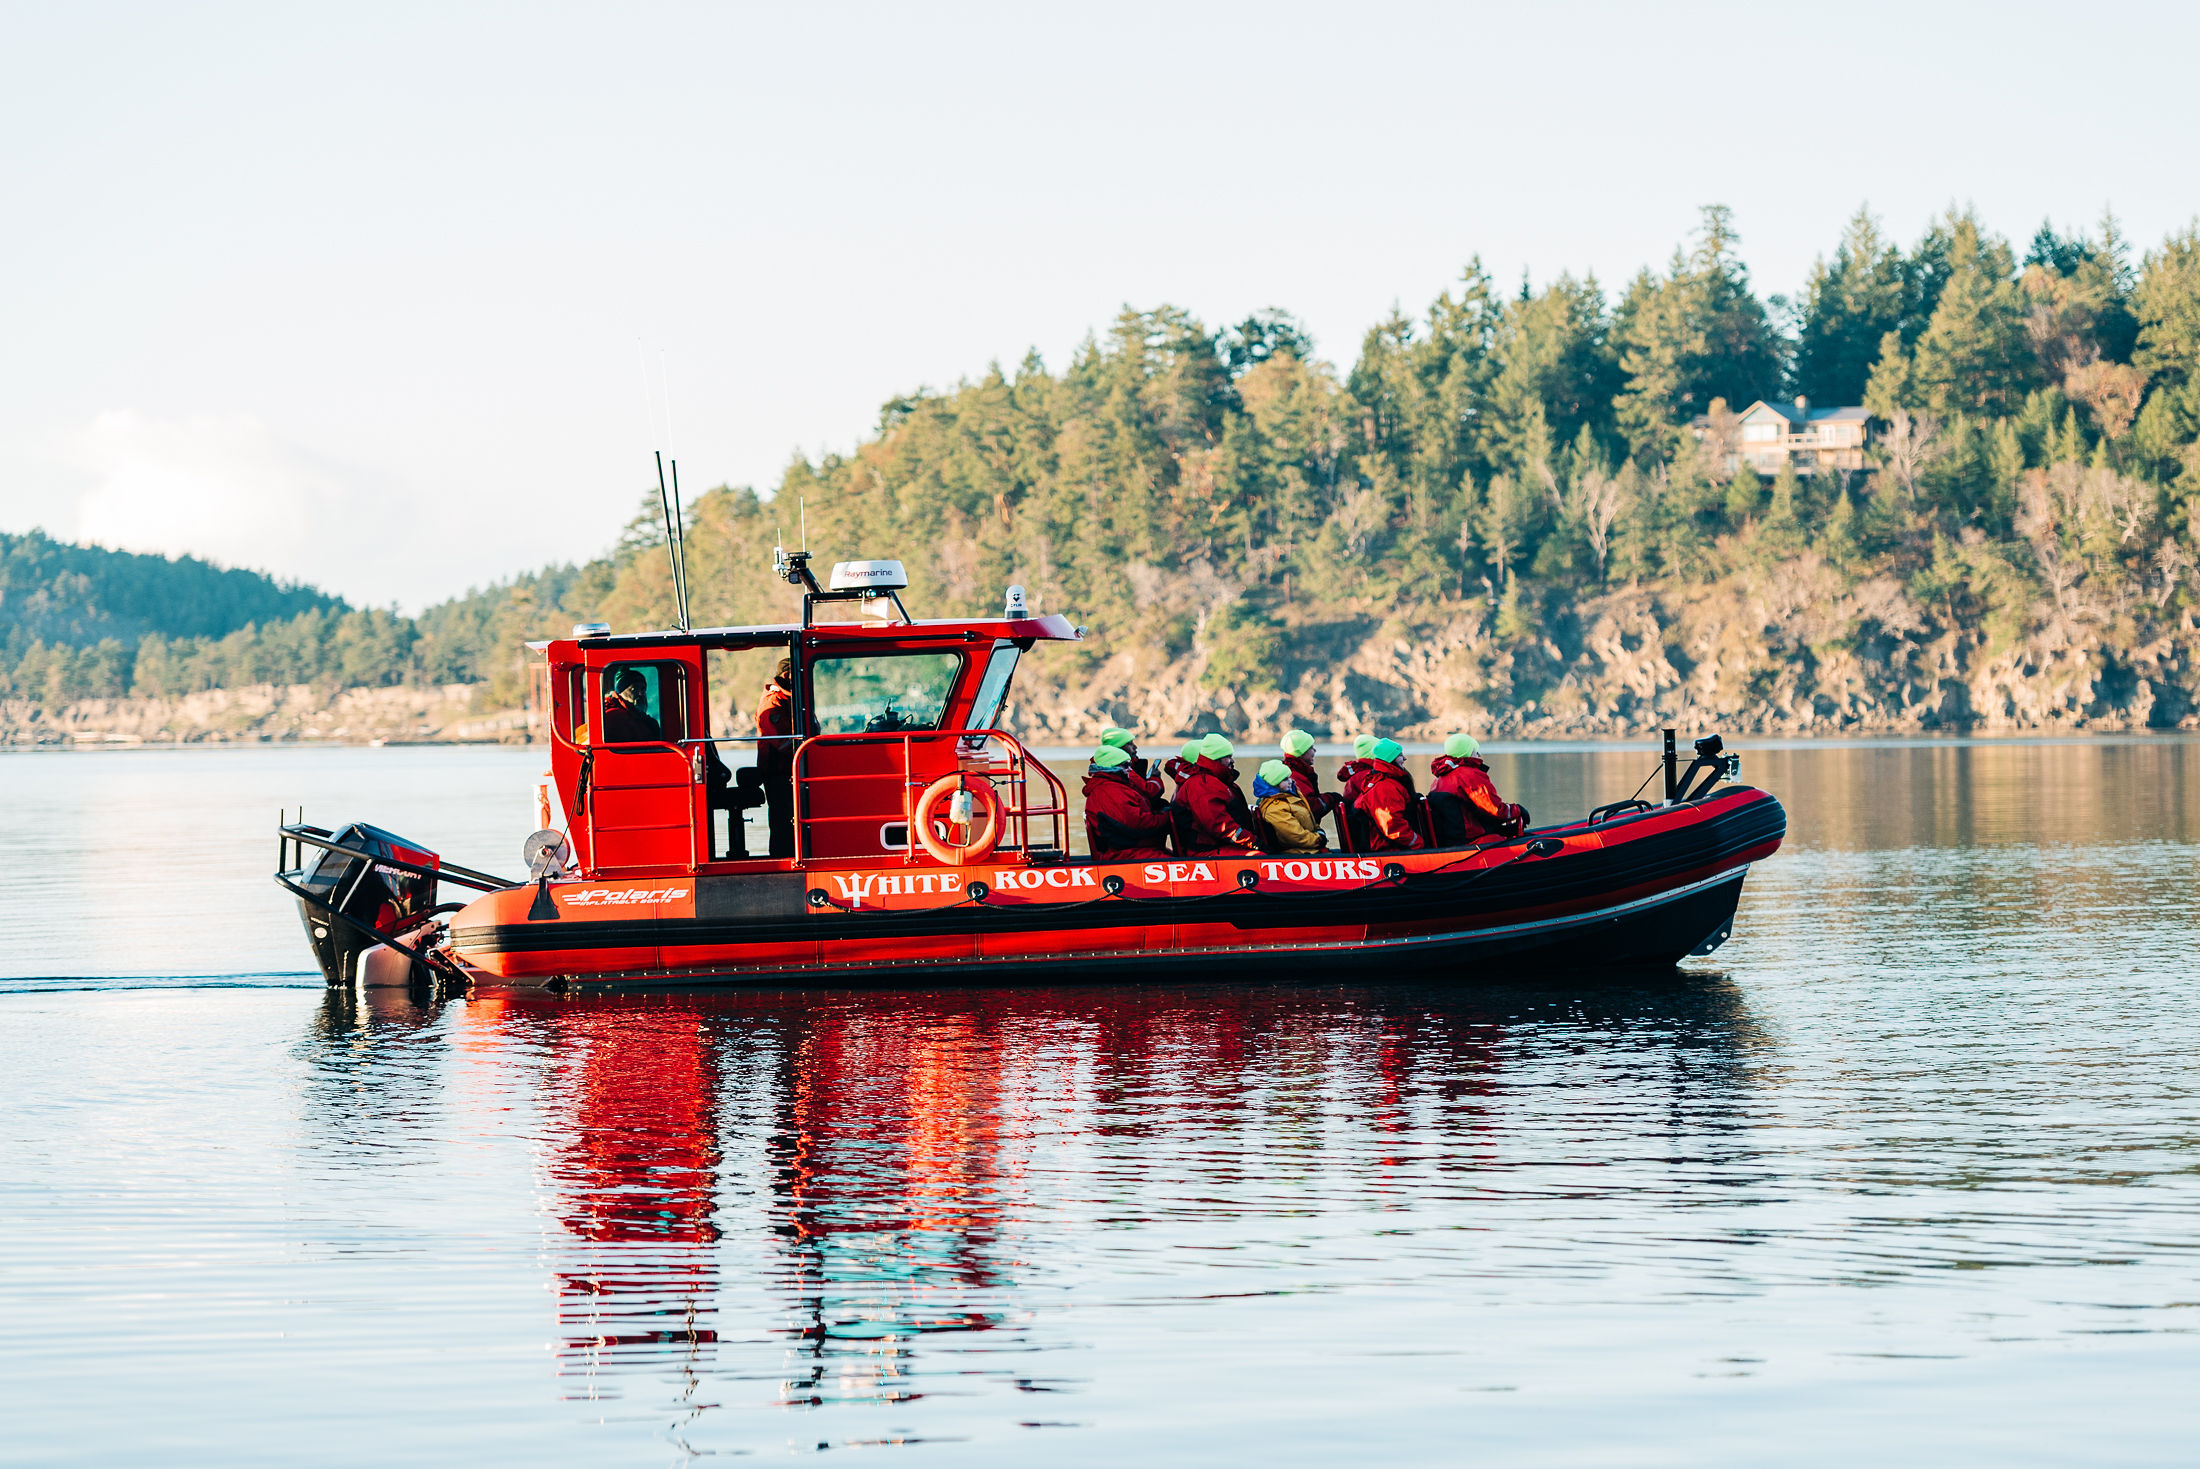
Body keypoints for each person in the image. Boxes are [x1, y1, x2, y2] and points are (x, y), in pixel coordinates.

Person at [1428, 735, 1530, 844]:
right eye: (1475, 751)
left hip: (1452, 839)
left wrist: (1500, 829)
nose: (1479, 755)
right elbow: (1495, 809)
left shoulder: (1440, 777)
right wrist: (1518, 810)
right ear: (1467, 753)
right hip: (1470, 840)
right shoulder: (1469, 775)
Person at [1171, 733, 1259, 856]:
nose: (1232, 760)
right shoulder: (1202, 784)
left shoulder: (1213, 781)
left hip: (1218, 846)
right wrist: (1253, 842)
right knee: (1258, 858)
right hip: (1205, 852)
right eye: (1228, 756)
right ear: (1216, 759)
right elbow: (1218, 824)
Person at [1083, 746, 1173, 861]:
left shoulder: (1115, 786)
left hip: (1132, 848)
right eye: (1126, 766)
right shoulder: (1111, 791)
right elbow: (1137, 824)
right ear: (1112, 768)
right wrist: (1168, 815)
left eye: (1130, 765)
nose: (1130, 770)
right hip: (1126, 853)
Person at [1348, 737, 1425, 851]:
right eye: (1400, 755)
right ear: (1390, 759)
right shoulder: (1385, 787)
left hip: (1387, 846)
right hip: (1386, 849)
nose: (1405, 758)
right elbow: (1392, 825)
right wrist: (1418, 843)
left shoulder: (1382, 781)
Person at [757, 657, 797, 858]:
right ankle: (782, 859)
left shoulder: (790, 701)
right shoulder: (773, 703)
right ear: (788, 676)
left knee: (789, 818)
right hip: (778, 772)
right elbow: (779, 742)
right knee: (782, 819)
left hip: (789, 770)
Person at [1253, 758, 1325, 853]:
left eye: (1289, 777)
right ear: (1275, 784)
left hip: (1309, 849)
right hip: (1299, 853)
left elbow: (1309, 819)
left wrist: (1319, 832)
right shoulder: (1274, 809)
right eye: (1285, 779)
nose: (1291, 781)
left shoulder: (1291, 796)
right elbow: (1296, 837)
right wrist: (1318, 840)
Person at [1278, 729, 1343, 814]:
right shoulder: (1293, 775)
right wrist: (1332, 798)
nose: (1315, 751)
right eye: (1311, 748)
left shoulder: (1292, 770)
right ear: (1301, 751)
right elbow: (1311, 808)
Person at [601, 669, 662, 743]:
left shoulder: (640, 718)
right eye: (634, 689)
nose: (641, 694)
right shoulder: (614, 716)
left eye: (643, 689)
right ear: (621, 691)